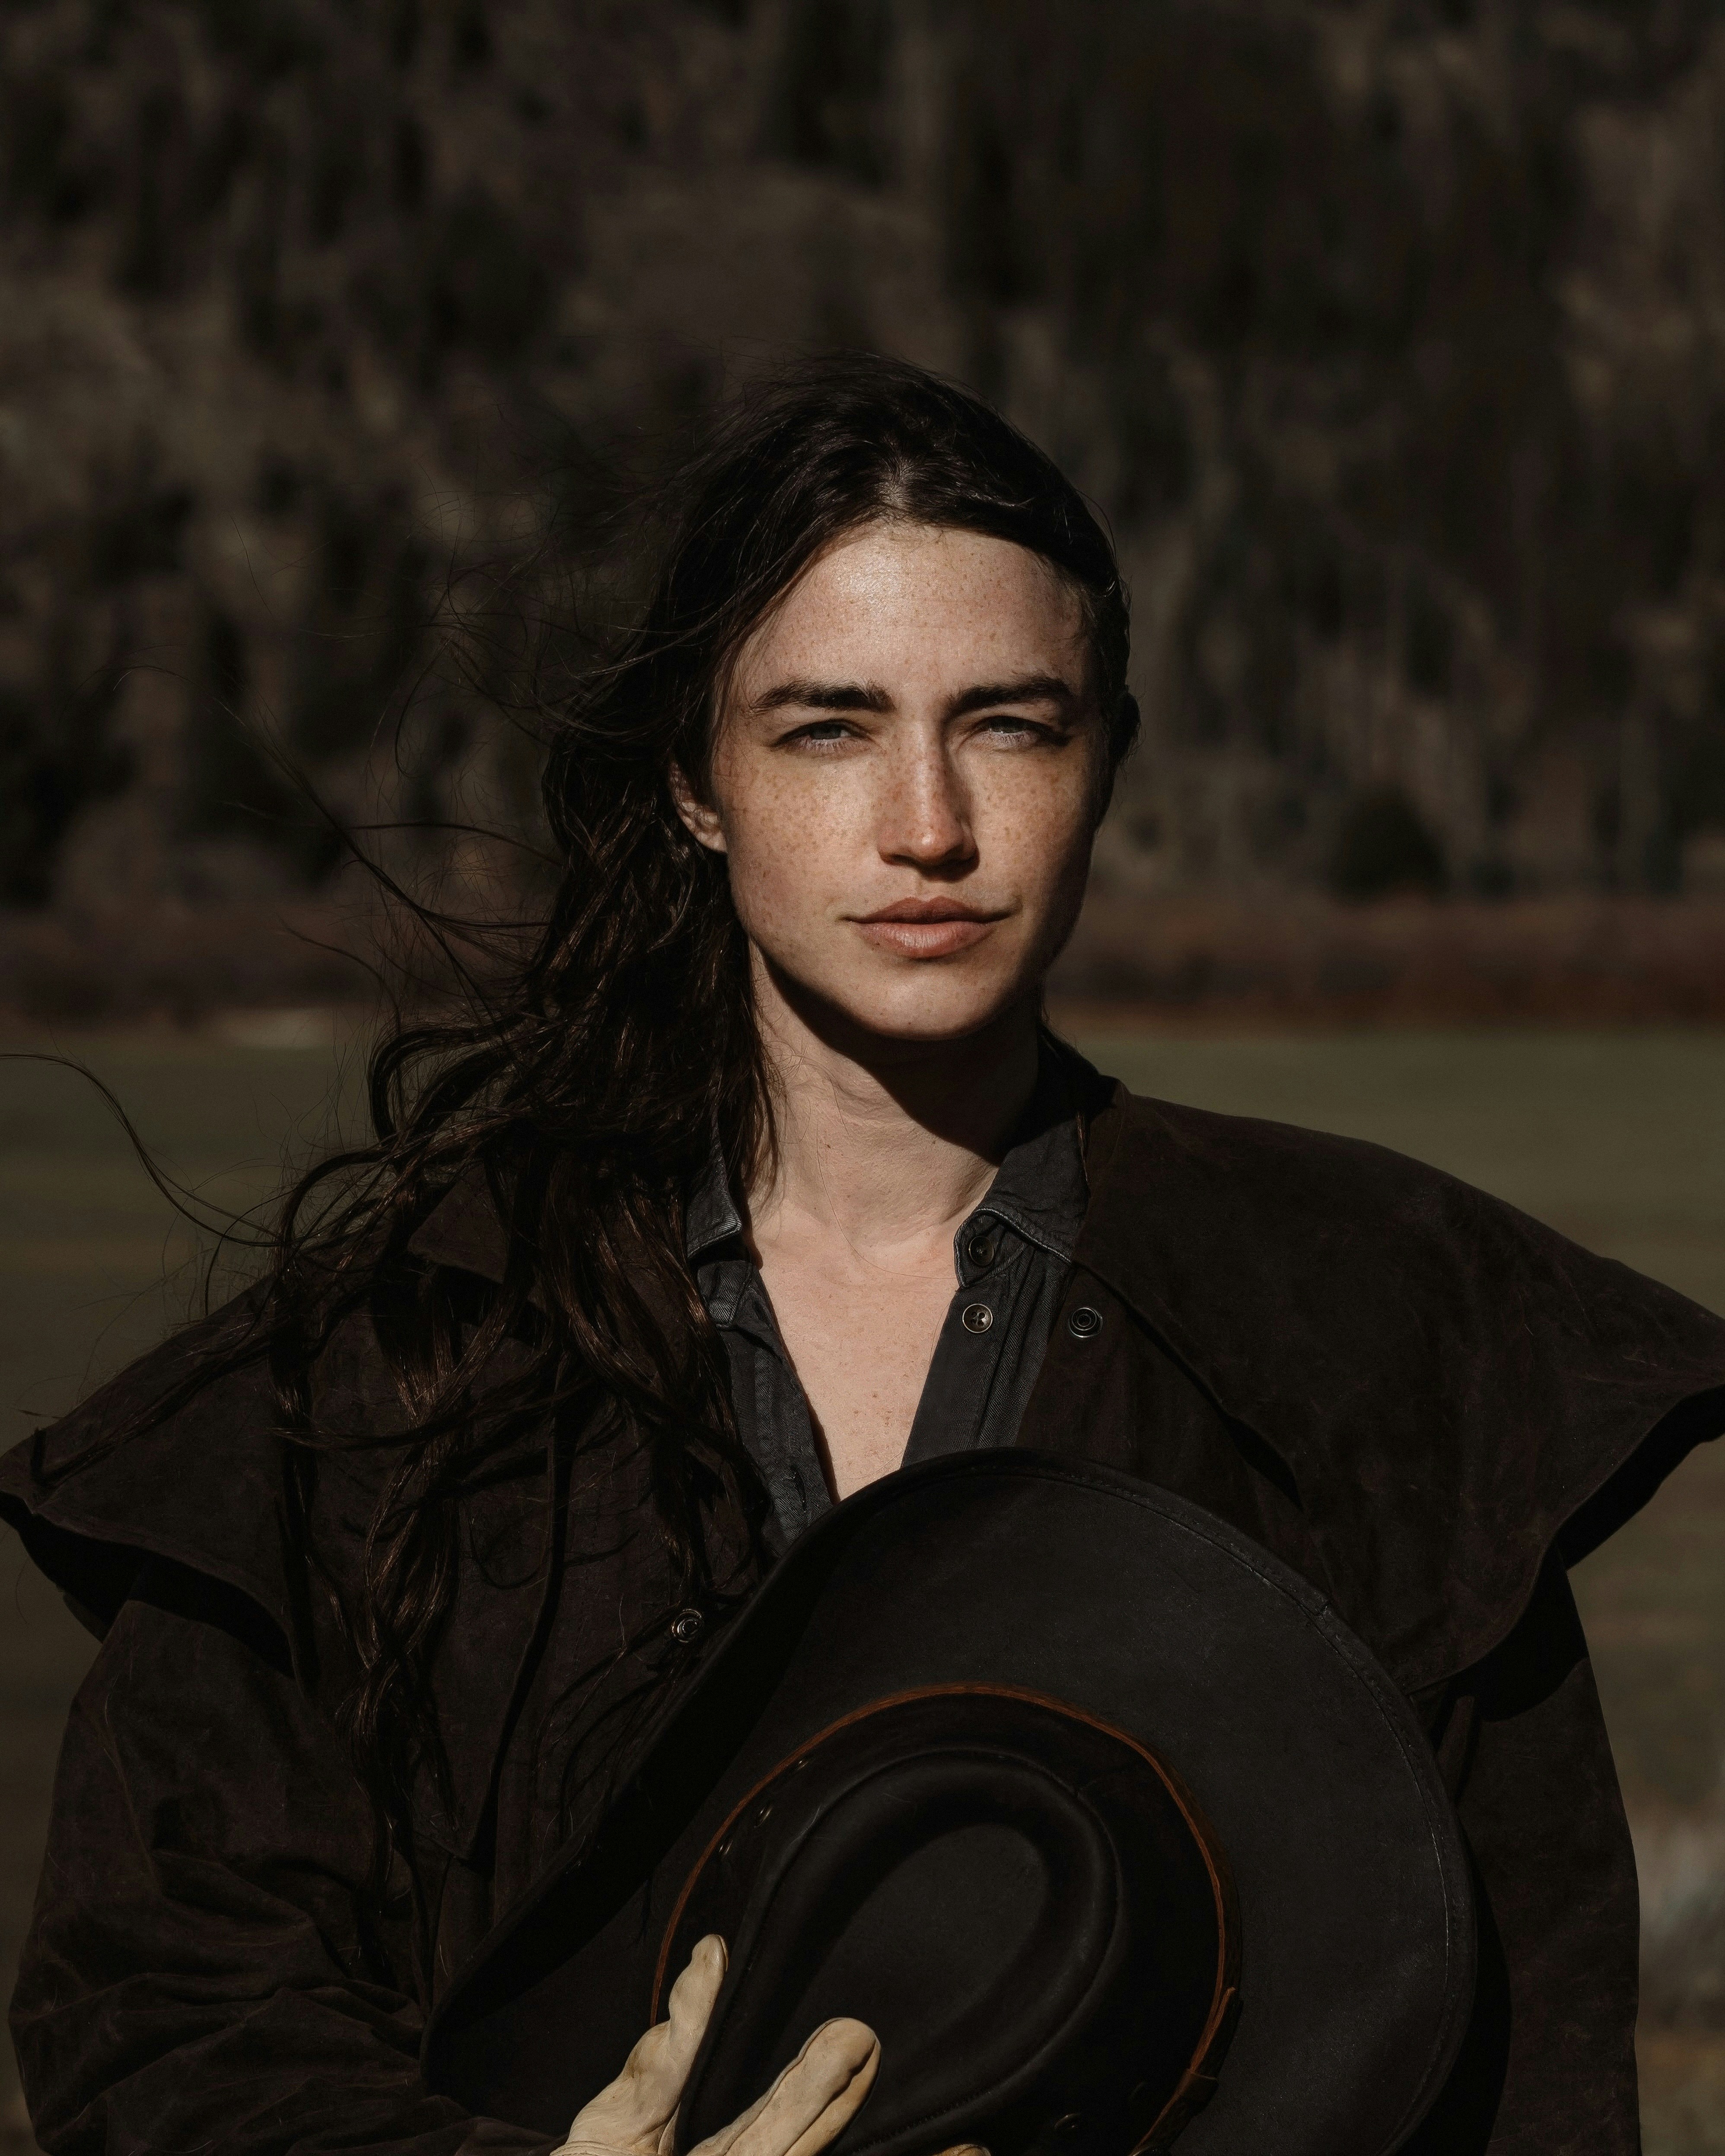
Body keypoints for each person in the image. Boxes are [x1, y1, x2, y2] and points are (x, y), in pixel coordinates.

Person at [3, 356, 1722, 2156]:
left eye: (1008, 723)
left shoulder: (1381, 1337)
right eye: (826, 727)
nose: (927, 825)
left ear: (1107, 760)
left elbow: (1526, 2080)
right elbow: (168, 2012)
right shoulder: (393, 1368)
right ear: (693, 781)